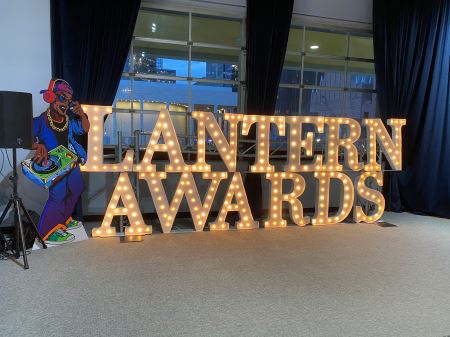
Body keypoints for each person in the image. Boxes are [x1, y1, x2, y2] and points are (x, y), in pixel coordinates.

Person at [32, 78, 90, 244]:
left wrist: (82, 114)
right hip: (53, 165)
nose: (65, 104)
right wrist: (38, 145)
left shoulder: (68, 122)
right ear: (50, 97)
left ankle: (63, 219)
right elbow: (22, 137)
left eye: (69, 101)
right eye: (62, 98)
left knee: (77, 187)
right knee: (58, 195)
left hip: (70, 161)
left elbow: (85, 128)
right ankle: (46, 233)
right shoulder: (40, 122)